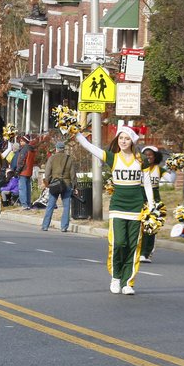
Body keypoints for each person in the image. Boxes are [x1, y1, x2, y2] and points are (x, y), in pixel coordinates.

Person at [75, 126, 155, 294]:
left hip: (136, 207)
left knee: (133, 246)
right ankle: (116, 277)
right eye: (120, 138)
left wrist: (152, 205)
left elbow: (147, 184)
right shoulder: (112, 157)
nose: (123, 141)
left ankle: (128, 283)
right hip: (118, 207)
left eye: (126, 138)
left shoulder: (141, 160)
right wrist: (76, 133)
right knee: (119, 243)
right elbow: (90, 147)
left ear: (132, 141)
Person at [40, 141, 76, 233]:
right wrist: (74, 186)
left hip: (55, 184)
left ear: (56, 149)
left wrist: (46, 183)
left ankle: (45, 226)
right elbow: (73, 175)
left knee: (50, 205)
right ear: (64, 149)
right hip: (66, 184)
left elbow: (47, 173)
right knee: (66, 206)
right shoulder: (69, 159)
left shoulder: (52, 158)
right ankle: (64, 227)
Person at [139, 145, 164, 262]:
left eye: (150, 155)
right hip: (139, 198)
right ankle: (137, 250)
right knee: (139, 227)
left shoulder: (159, 170)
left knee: (151, 226)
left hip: (155, 200)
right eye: (146, 155)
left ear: (155, 156)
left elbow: (172, 178)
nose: (148, 157)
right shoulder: (139, 167)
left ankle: (146, 253)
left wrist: (175, 167)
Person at [15, 135, 36, 209]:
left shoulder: (24, 149)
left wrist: (17, 171)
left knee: (22, 188)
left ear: (25, 141)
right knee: (28, 188)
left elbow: (21, 161)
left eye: (21, 141)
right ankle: (28, 203)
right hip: (29, 171)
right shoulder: (32, 149)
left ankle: (24, 204)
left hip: (23, 171)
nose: (20, 143)